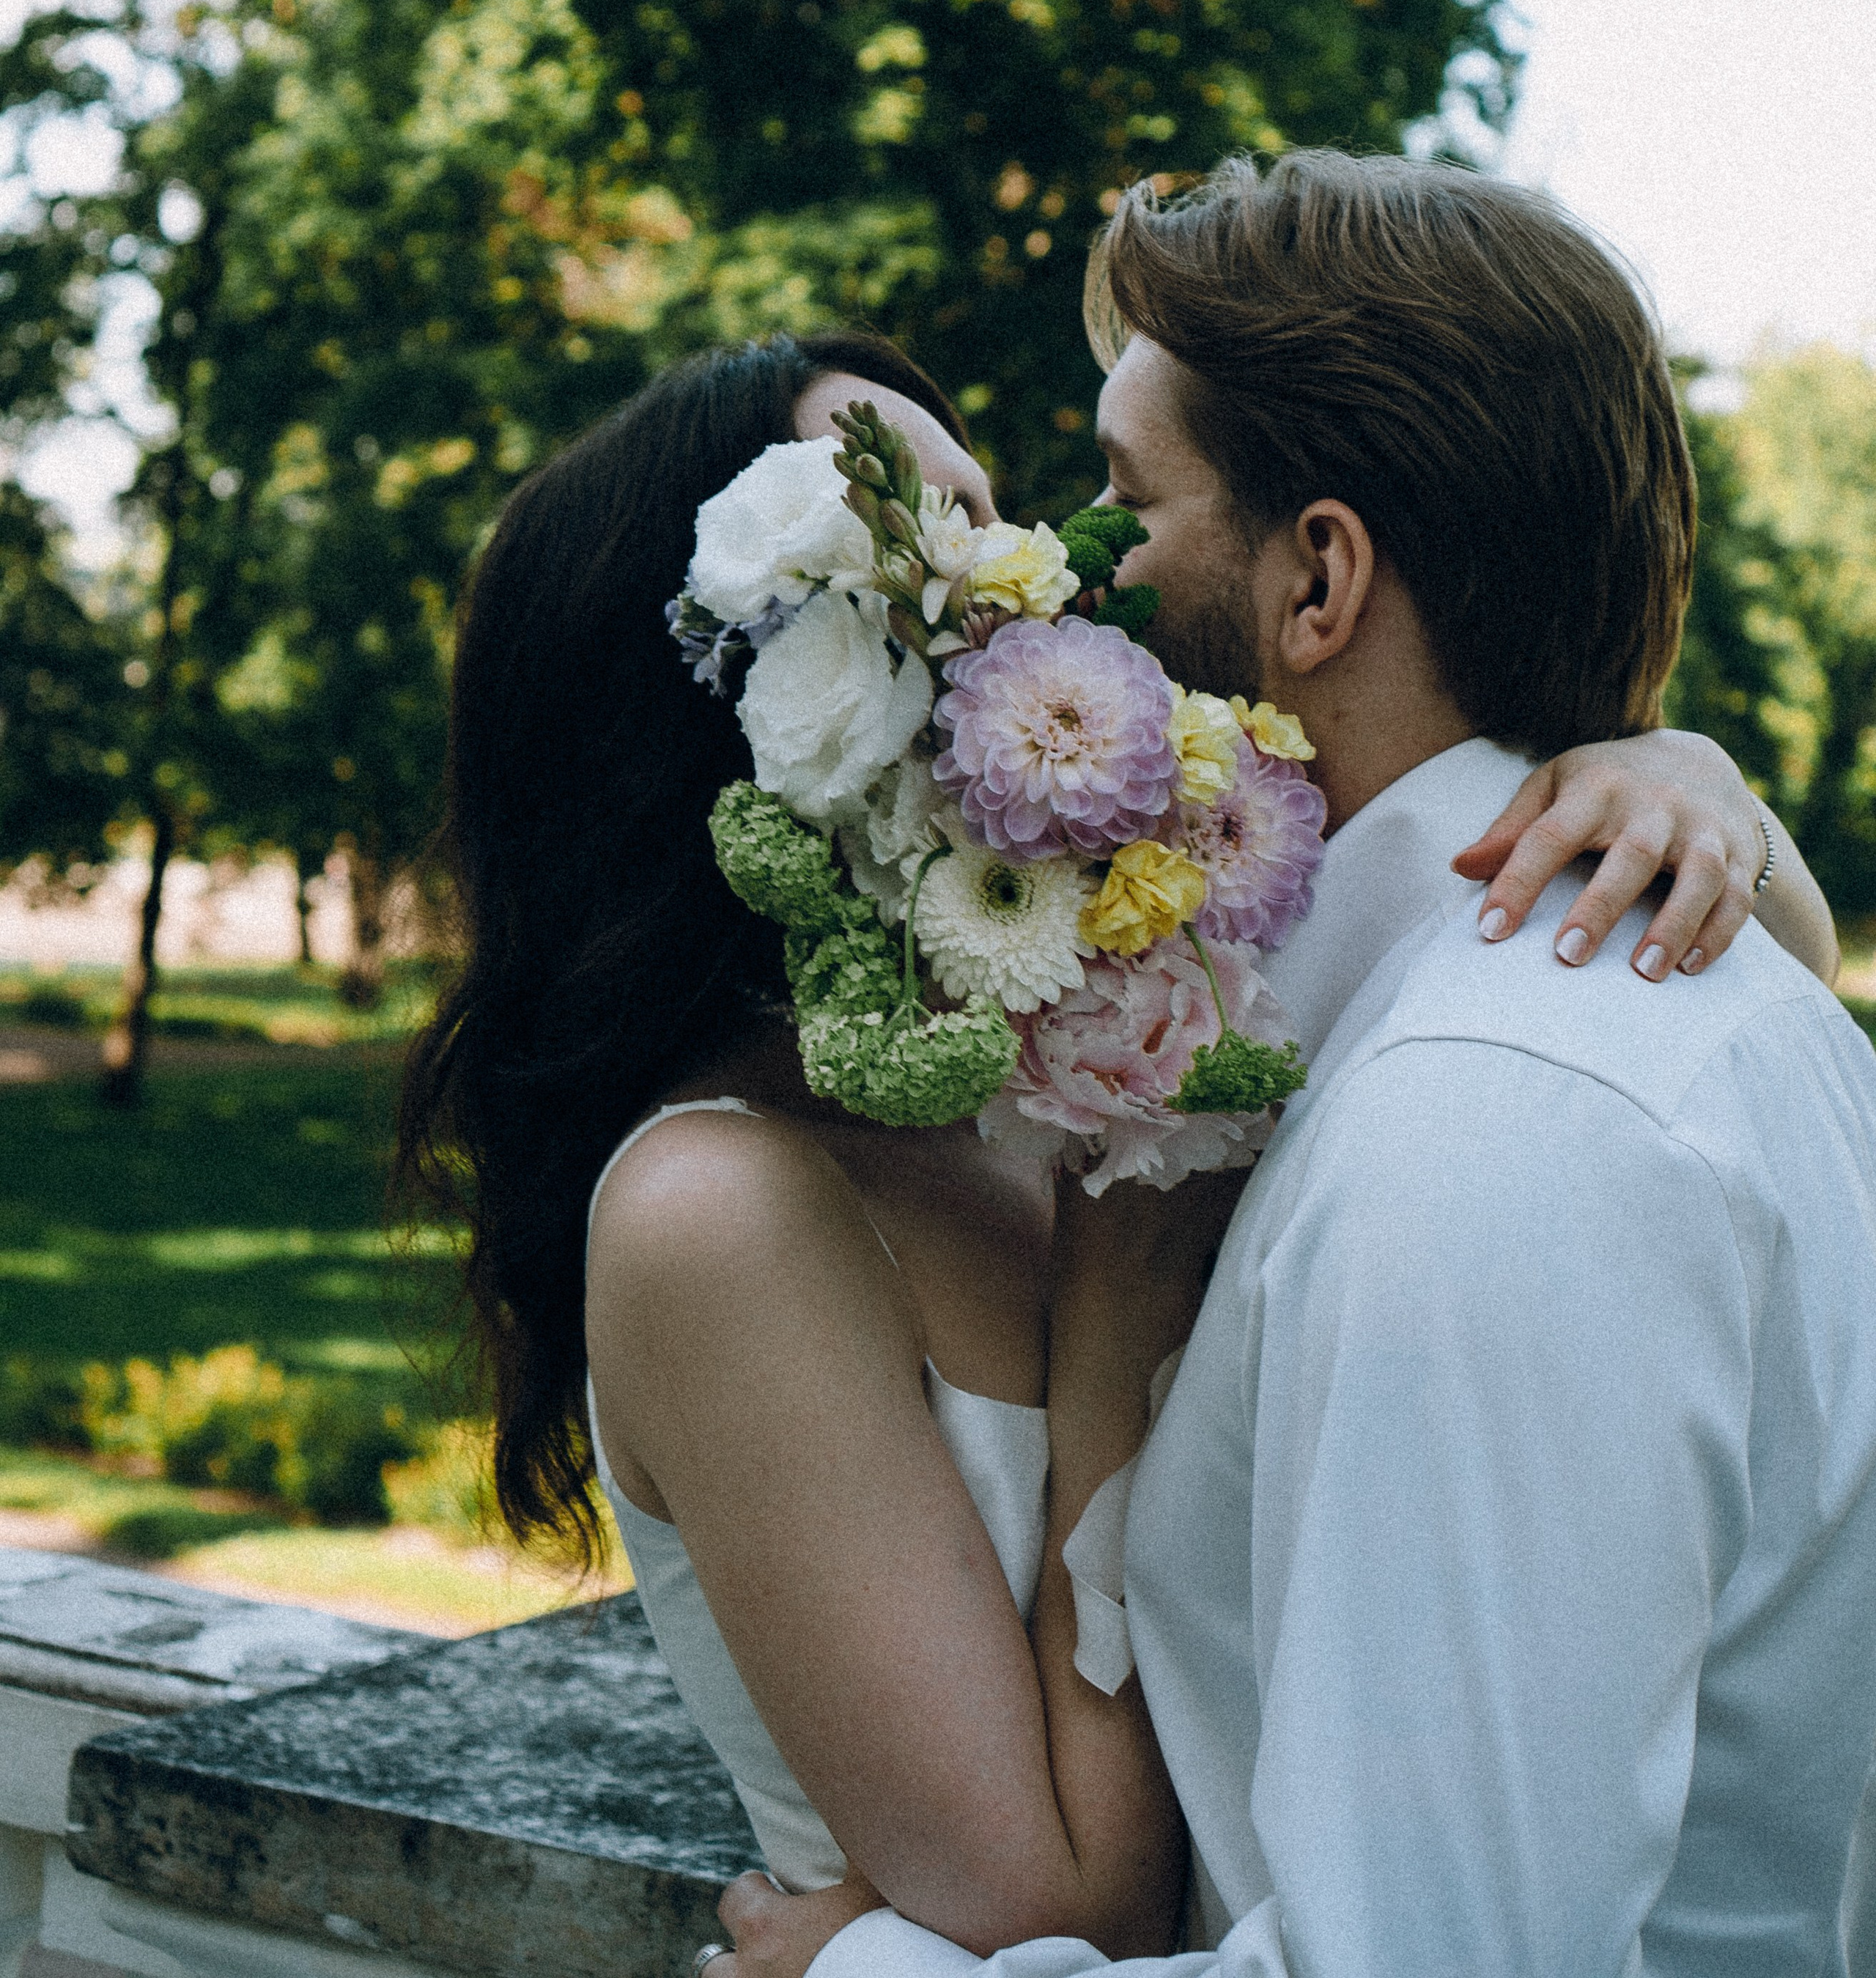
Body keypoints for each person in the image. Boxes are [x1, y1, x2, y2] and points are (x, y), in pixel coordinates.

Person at [396, 301, 1838, 1963]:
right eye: (934, 547)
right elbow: (1061, 1914)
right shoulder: (715, 1209)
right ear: (741, 682)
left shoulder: (1075, 1040)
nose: (1041, 581)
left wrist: (1675, 776)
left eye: (999, 518)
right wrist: (1104, 1354)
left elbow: (1669, 1006)